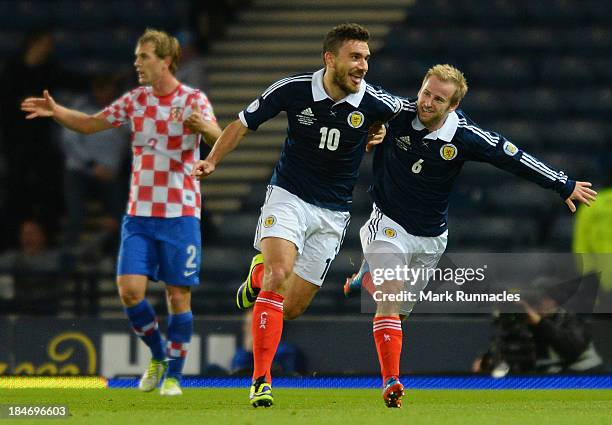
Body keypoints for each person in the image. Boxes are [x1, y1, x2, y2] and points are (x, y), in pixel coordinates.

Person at [342, 64, 597, 407]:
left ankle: (368, 277)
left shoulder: (464, 135)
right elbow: (355, 99)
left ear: (453, 107)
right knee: (390, 294)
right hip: (387, 224)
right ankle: (391, 381)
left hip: (431, 239)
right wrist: (372, 129)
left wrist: (562, 183)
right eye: (425, 93)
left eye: (439, 99)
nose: (427, 103)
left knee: (398, 311)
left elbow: (513, 157)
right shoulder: (396, 112)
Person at [192, 23, 400, 407]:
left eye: (367, 58)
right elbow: (242, 123)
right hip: (288, 197)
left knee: (292, 307)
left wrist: (382, 128)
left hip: (333, 213)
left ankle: (256, 275)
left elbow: (405, 121)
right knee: (278, 276)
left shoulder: (376, 102)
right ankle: (260, 381)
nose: (363, 66)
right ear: (330, 59)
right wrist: (212, 161)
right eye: (355, 57)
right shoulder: (293, 89)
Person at [21, 29, 222, 396]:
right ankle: (158, 355)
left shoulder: (193, 99)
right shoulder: (136, 100)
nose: (136, 63)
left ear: (165, 60)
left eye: (143, 56)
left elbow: (217, 137)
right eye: (135, 57)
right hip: (139, 215)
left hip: (180, 214)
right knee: (130, 292)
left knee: (178, 297)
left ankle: (174, 377)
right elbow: (89, 123)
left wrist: (203, 126)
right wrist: (56, 112)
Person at [473, 277, 604, 375]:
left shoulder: (569, 319)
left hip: (585, 378)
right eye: (536, 298)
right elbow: (511, 351)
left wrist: (538, 322)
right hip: (545, 378)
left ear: (555, 300)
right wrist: (488, 362)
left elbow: (571, 349)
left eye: (543, 298)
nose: (538, 302)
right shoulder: (523, 321)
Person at [60, 73, 130, 248]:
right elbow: (69, 139)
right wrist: (91, 164)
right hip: (79, 170)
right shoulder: (80, 106)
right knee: (76, 216)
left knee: (121, 216)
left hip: (109, 173)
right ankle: (66, 264)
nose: (104, 93)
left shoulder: (124, 111)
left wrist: (113, 169)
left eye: (108, 88)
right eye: (100, 88)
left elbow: (129, 140)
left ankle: (117, 260)